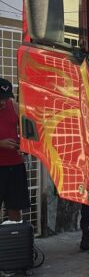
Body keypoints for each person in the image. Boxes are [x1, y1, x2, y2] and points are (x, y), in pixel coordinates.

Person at [0, 78, 30, 222]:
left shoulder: (14, 105)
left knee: (15, 208)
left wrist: (24, 146)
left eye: (5, 98)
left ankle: (16, 234)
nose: (3, 102)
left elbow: (28, 131)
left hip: (15, 165)